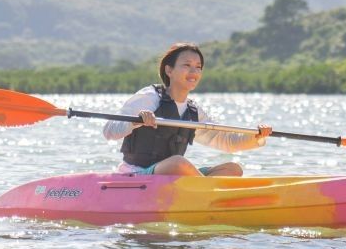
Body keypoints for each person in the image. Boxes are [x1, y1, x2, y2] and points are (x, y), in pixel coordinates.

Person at [103, 42, 272, 176]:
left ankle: (202, 193)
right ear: (169, 70)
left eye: (198, 67)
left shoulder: (193, 112)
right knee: (178, 163)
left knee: (233, 169)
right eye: (187, 65)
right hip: (137, 175)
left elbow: (226, 142)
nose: (194, 71)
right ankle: (206, 193)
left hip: (173, 175)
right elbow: (109, 131)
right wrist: (136, 122)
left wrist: (257, 137)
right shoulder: (149, 97)